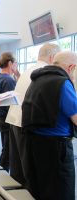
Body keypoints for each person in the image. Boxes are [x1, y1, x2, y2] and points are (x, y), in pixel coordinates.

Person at [22, 51, 77, 200]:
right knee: (61, 192)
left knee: (40, 190)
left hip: (34, 145)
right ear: (72, 67)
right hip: (57, 149)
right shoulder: (63, 83)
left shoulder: (37, 79)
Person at [5, 43, 60, 184]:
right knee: (29, 171)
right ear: (52, 57)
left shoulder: (29, 70)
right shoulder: (44, 72)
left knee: (17, 170)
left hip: (14, 121)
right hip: (25, 124)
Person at [0, 52, 19, 171]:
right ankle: (0, 177)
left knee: (6, 150)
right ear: (10, 63)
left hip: (0, 118)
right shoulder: (8, 80)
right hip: (7, 120)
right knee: (8, 153)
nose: (16, 66)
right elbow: (13, 103)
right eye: (15, 64)